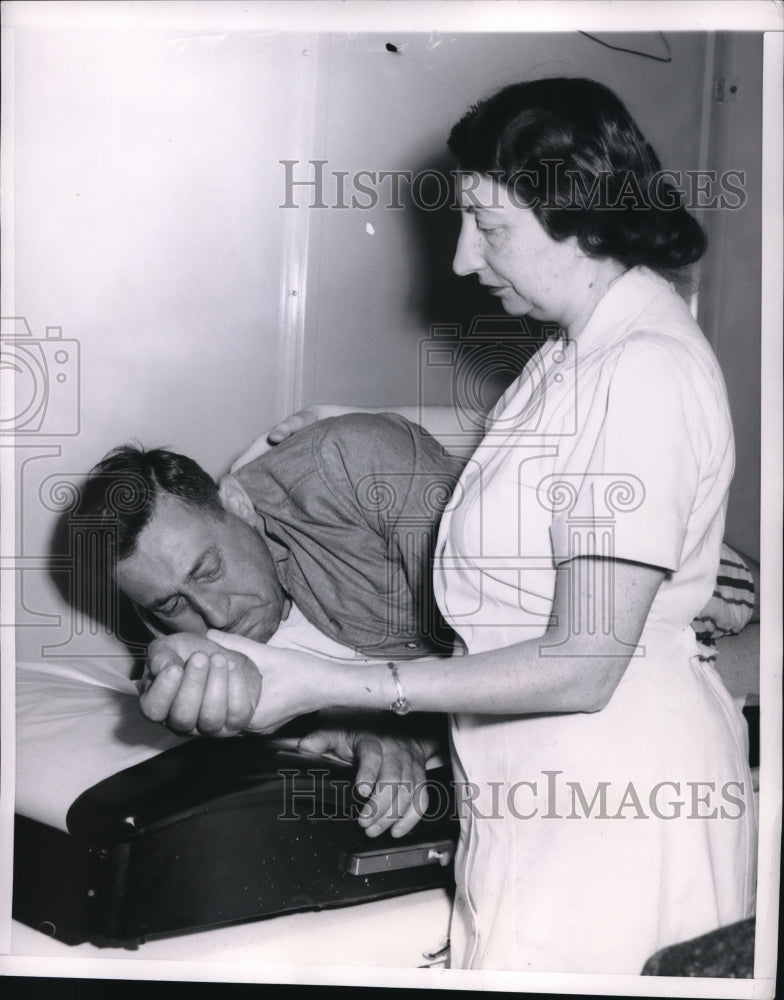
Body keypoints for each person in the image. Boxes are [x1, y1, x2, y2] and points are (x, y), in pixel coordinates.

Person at [78, 411, 465, 836]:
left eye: (208, 570)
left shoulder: (351, 467)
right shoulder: (166, 623)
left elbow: (520, 653)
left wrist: (402, 728)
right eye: (171, 603)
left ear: (237, 505)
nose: (216, 615)